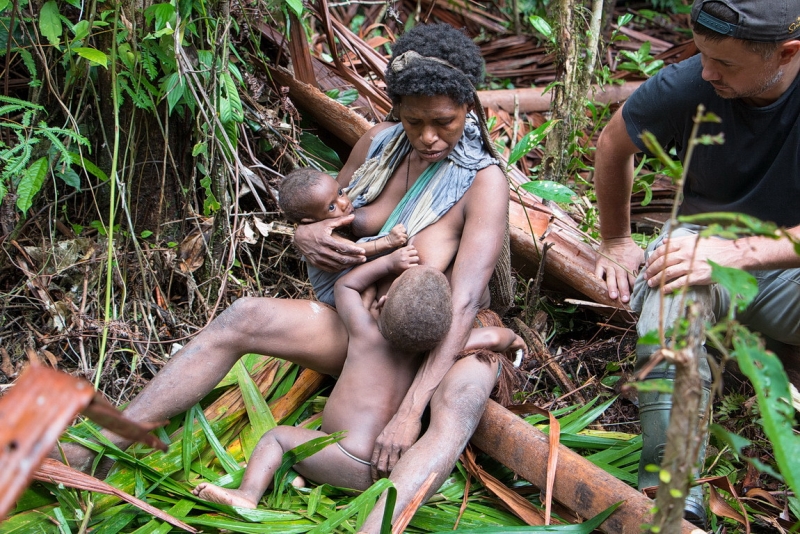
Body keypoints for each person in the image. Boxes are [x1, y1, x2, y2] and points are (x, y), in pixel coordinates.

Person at [56, 23, 511, 532]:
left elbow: (466, 300)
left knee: (465, 395)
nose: (428, 136)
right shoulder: (380, 143)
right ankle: (101, 445)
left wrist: (409, 412)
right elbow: (323, 214)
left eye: (444, 122)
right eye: (414, 121)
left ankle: (375, 526)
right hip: (359, 327)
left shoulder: (482, 181)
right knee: (244, 314)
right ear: (396, 110)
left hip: (430, 346)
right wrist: (305, 237)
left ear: (468, 108)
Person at [593, 0, 800, 526]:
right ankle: (673, 489)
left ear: (787, 52)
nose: (707, 72)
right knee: (671, 292)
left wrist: (742, 254)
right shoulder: (691, 84)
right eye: (703, 56)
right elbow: (613, 145)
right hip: (705, 246)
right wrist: (616, 241)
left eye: (725, 64)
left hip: (787, 268)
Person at [191, 250, 524, 508]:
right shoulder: (434, 351)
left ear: (384, 301)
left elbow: (345, 285)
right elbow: (494, 339)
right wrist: (514, 338)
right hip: (384, 472)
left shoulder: (364, 331)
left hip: (340, 456)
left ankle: (248, 494)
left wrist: (390, 263)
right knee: (310, 434)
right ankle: (299, 479)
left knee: (276, 439)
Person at [278, 167, 409, 305]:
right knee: (367, 290)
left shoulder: (337, 218)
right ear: (310, 221)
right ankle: (360, 320)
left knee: (369, 288)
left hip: (351, 277)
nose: (344, 202)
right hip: (332, 289)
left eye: (340, 193)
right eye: (331, 207)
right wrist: (388, 241)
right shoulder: (325, 236)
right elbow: (354, 250)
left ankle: (367, 313)